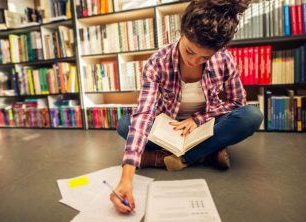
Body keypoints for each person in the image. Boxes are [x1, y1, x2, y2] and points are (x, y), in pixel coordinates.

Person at [111, 0, 263, 214]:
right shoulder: (157, 62)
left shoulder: (224, 58)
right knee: (125, 125)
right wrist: (126, 178)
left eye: (205, 57)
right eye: (190, 51)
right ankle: (207, 154)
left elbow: (237, 102)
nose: (194, 61)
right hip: (170, 127)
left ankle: (168, 158)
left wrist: (198, 118)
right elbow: (144, 113)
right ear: (181, 32)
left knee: (252, 115)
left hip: (206, 124)